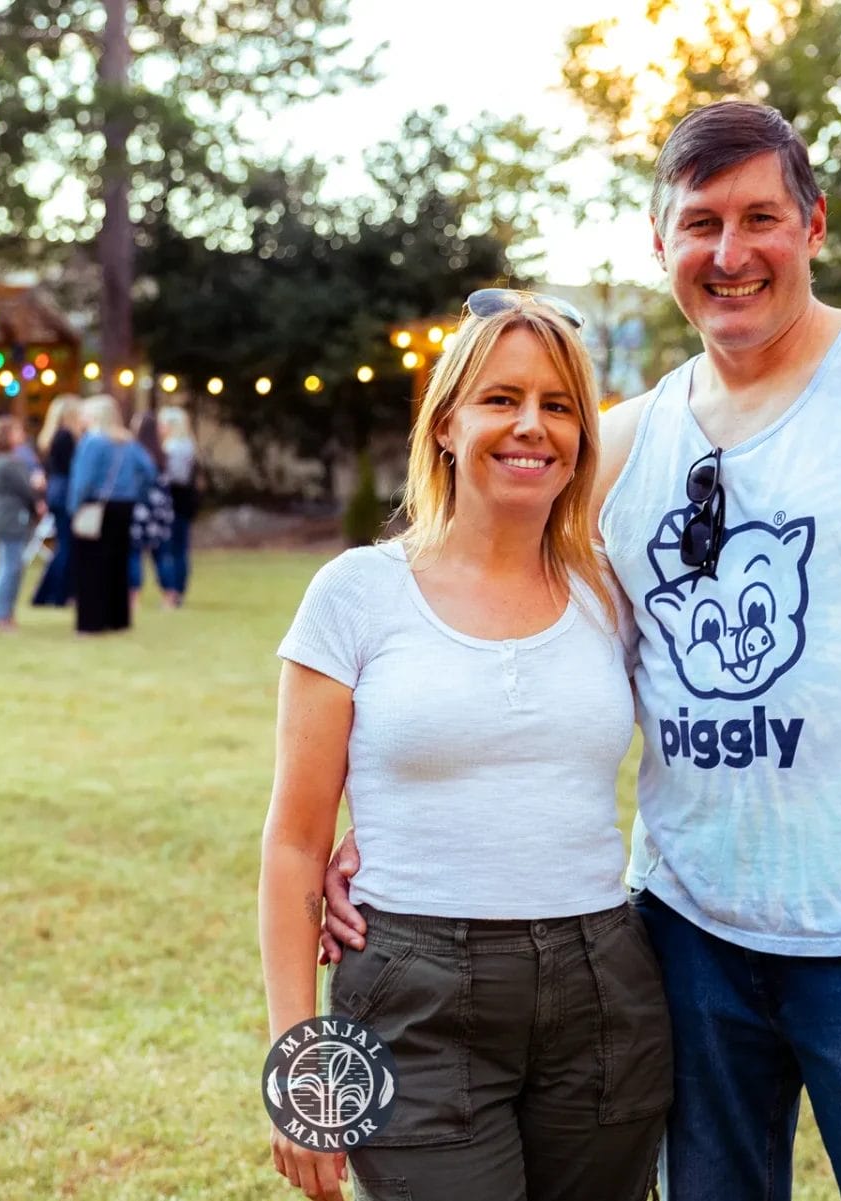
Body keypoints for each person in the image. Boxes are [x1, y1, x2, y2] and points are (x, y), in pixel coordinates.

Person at [324, 101, 841, 1201]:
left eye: (760, 218)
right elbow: (509, 629)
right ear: (660, 244)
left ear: (815, 225)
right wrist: (378, 827)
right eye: (700, 224)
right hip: (682, 944)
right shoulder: (627, 442)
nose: (730, 254)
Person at [263, 298, 672, 1201]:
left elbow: (722, 713)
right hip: (415, 991)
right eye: (502, 398)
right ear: (447, 422)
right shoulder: (357, 595)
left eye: (560, 405)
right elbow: (295, 839)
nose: (532, 425)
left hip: (604, 985)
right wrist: (299, 1058)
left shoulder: (611, 594)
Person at [67, 395, 156, 635]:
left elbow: (82, 480)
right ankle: (118, 619)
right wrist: (137, 493)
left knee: (91, 565)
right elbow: (149, 471)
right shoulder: (128, 442)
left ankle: (91, 622)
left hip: (96, 506)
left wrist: (74, 507)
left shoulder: (93, 442)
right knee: (118, 563)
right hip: (124, 506)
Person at [0, 416, 43, 631]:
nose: (22, 435)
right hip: (10, 520)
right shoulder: (10, 462)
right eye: (17, 431)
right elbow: (27, 488)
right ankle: (2, 615)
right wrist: (37, 487)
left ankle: (5, 613)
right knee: (11, 567)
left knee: (9, 565)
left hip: (3, 519)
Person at [30, 395, 83, 607]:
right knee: (67, 547)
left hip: (56, 493)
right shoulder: (65, 437)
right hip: (65, 494)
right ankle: (57, 594)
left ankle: (48, 593)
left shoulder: (52, 438)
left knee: (64, 545)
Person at [155, 405, 199, 608]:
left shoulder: (173, 448)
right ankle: (178, 590)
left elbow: (175, 478)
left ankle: (172, 591)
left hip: (173, 505)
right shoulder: (189, 446)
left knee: (170, 550)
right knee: (180, 549)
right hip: (184, 505)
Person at [127, 409, 172, 609]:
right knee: (161, 553)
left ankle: (133, 597)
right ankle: (169, 596)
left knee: (134, 553)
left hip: (140, 508)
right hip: (160, 510)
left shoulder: (134, 452)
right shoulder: (162, 453)